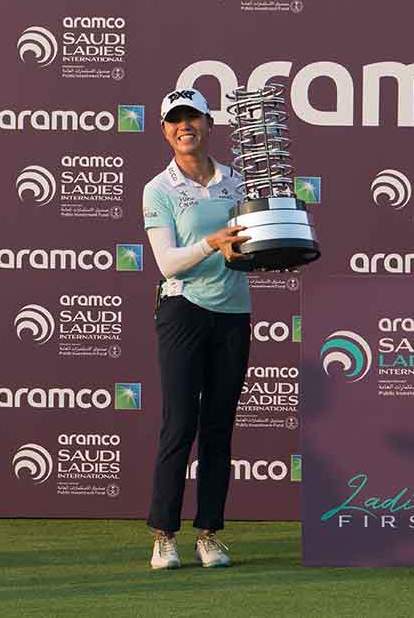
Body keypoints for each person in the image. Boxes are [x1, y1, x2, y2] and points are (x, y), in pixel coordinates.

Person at [142, 87, 252, 569]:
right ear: (165, 131)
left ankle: (209, 533)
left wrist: (255, 251)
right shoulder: (158, 189)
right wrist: (213, 243)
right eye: (175, 120)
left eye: (193, 118)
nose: (185, 126)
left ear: (209, 124)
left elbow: (249, 245)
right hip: (183, 311)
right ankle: (164, 535)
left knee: (219, 428)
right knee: (179, 425)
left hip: (232, 314)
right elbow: (168, 264)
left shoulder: (238, 181)